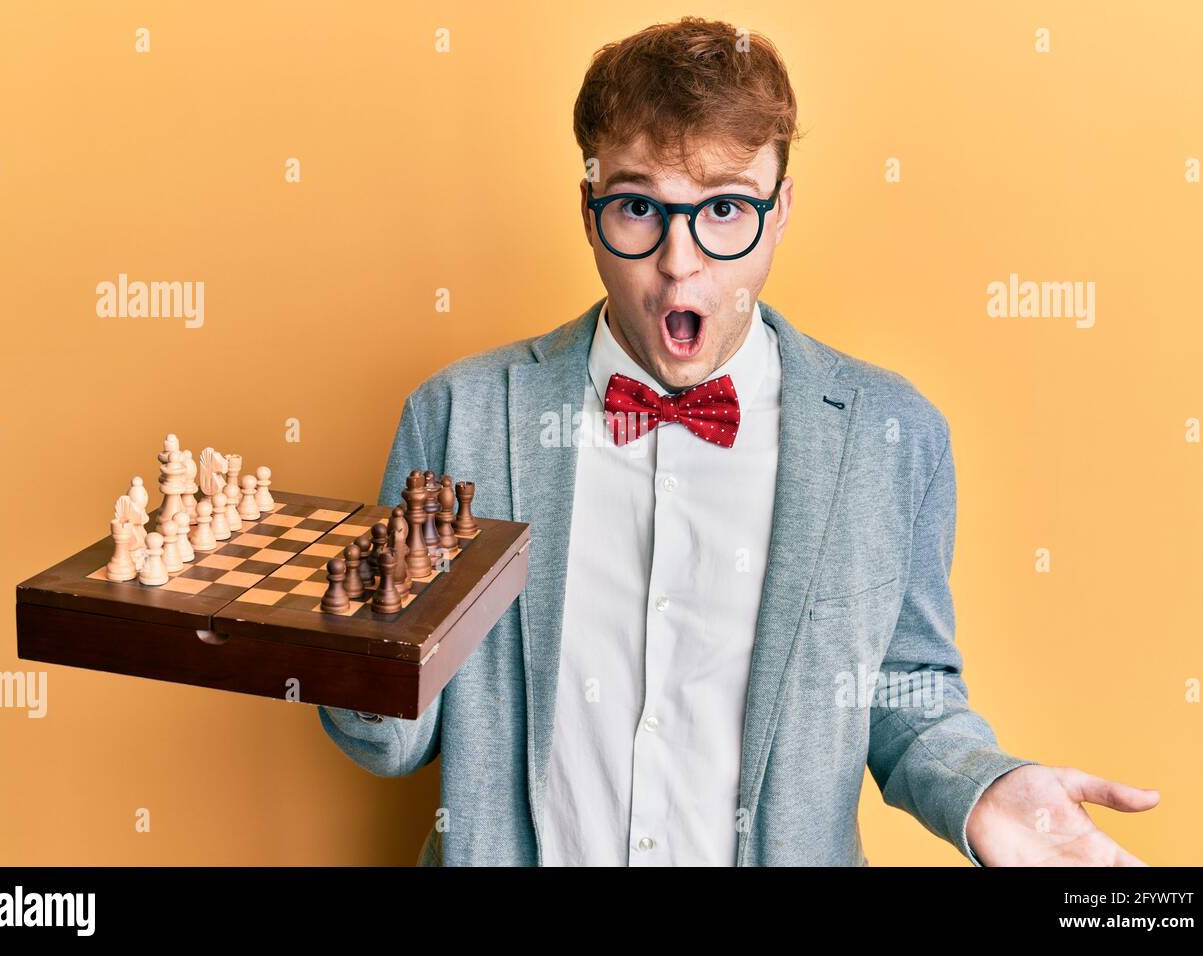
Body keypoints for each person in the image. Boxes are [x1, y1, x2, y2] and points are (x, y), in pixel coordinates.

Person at [318, 16, 1158, 866]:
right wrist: (342, 639)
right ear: (587, 206)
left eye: (724, 208)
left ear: (780, 208)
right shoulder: (460, 416)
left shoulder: (891, 436)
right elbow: (391, 742)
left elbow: (907, 693)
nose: (681, 264)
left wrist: (982, 786)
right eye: (640, 207)